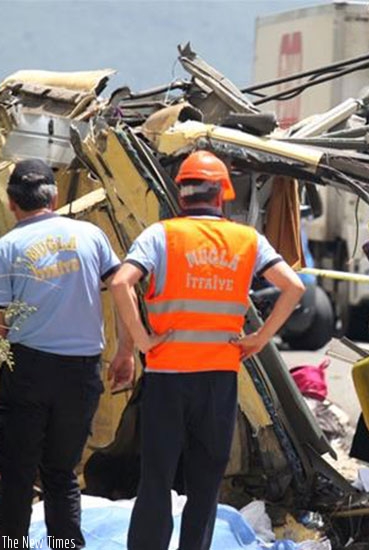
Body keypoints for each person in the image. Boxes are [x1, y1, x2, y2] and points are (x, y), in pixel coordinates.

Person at [109, 150, 305, 550]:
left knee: (157, 480)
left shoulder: (160, 235)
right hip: (219, 378)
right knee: (205, 484)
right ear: (222, 194)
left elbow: (120, 283)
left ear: (181, 194)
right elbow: (294, 287)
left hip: (166, 379)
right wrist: (260, 337)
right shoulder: (247, 239)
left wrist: (141, 343)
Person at [0, 159, 135, 548]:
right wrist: (126, 350)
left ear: (12, 203)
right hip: (81, 373)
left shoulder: (8, 246)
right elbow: (123, 287)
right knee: (61, 473)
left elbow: (3, 323)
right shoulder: (90, 235)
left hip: (28, 370)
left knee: (17, 474)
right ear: (55, 197)